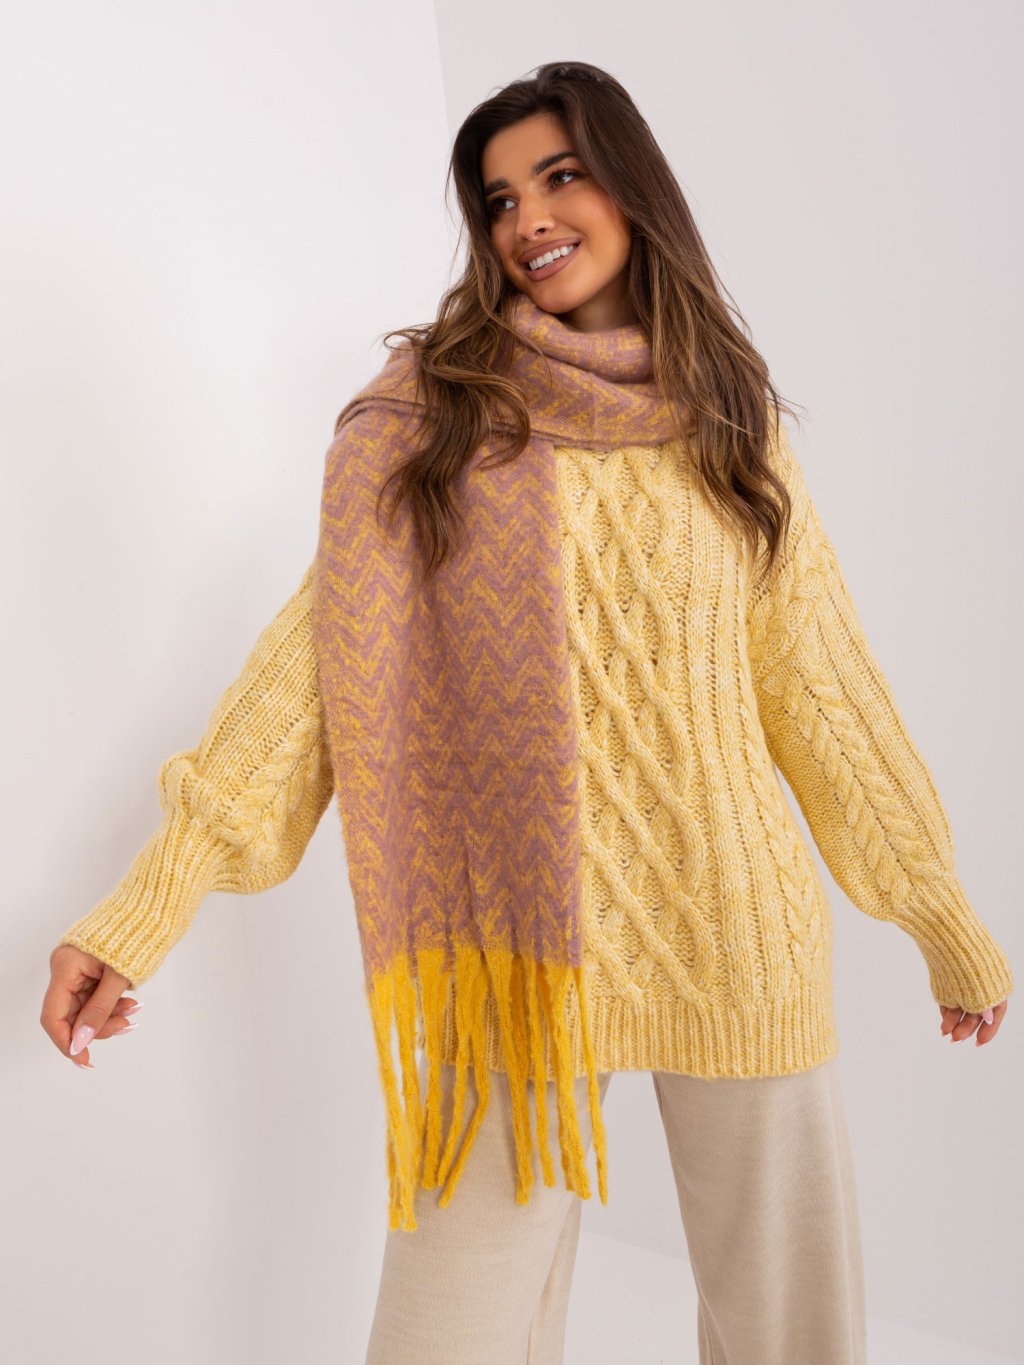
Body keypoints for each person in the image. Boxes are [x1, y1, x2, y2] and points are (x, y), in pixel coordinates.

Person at [41, 61, 1013, 1365]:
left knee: (793, 1335)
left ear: (633, 187)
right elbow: (309, 682)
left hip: (734, 923)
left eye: (560, 176)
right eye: (498, 199)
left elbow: (823, 692)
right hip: (508, 950)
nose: (527, 219)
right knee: (448, 1335)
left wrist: (938, 910)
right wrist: (144, 911)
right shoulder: (431, 426)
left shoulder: (733, 429)